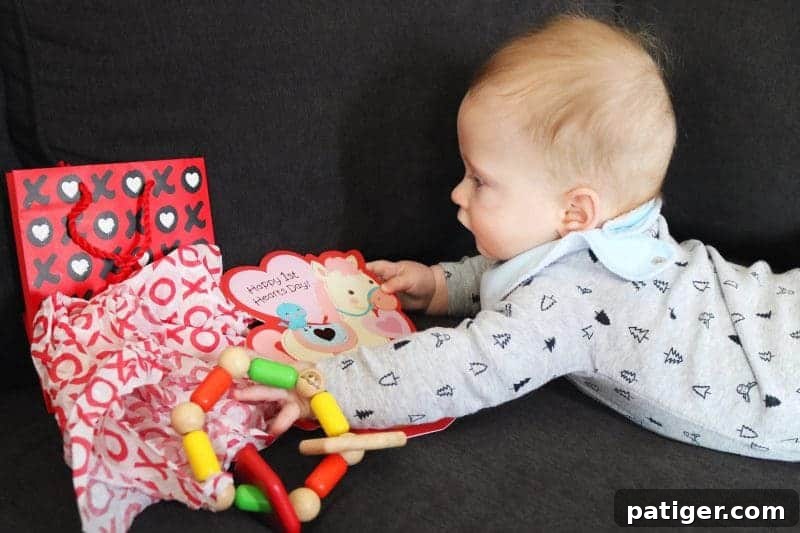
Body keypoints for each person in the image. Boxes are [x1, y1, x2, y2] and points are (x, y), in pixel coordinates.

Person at [235, 13, 800, 461]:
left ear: (576, 211)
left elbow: (460, 366)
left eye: (480, 180)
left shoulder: (571, 303)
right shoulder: (618, 233)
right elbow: (534, 263)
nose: (458, 194)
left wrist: (321, 384)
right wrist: (441, 285)